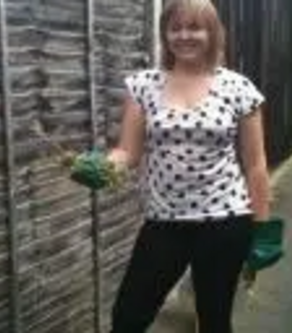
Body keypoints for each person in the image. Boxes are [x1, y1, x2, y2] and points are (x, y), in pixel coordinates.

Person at [106, 0, 271, 332]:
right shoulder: (143, 85)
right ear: (165, 34)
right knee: (127, 317)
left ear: (212, 32)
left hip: (225, 221)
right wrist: (101, 166)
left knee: (214, 320)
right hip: (164, 222)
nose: (184, 35)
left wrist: (264, 229)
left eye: (194, 27)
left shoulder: (238, 88)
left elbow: (255, 164)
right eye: (175, 27)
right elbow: (127, 151)